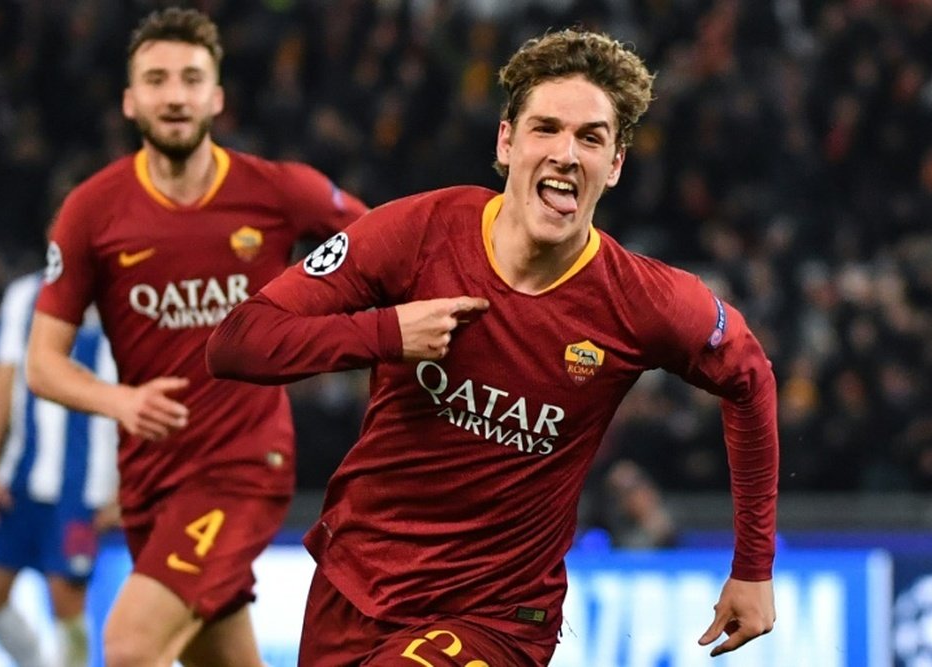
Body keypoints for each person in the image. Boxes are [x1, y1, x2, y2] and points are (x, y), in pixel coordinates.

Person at [208, 28, 779, 665]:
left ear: (614, 165)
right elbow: (238, 343)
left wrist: (753, 566)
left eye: (591, 138)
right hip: (354, 583)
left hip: (498, 617)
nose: (566, 153)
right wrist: (388, 335)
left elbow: (749, 379)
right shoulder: (417, 232)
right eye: (546, 129)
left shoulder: (645, 301)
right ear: (506, 141)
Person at [25, 7, 367, 667]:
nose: (175, 94)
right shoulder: (92, 210)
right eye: (157, 79)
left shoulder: (275, 190)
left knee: (129, 645)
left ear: (216, 96)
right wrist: (121, 402)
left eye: (190, 78)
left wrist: (358, 332)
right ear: (130, 100)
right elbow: (43, 363)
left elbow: (385, 244)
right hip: (150, 478)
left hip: (242, 467)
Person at [0, 270, 119, 667]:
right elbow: (1, 383)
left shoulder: (124, 298)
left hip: (83, 492)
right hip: (18, 480)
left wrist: (122, 488)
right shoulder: (25, 295)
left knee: (67, 604)